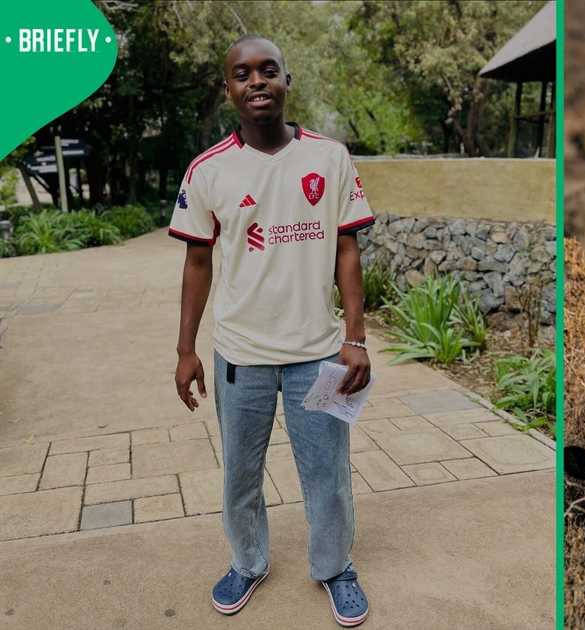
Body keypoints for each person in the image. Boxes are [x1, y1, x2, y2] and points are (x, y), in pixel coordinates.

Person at [170, 34, 374, 627]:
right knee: (239, 473)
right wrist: (186, 349)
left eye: (268, 71)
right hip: (241, 356)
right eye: (242, 74)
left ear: (287, 82)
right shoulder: (208, 170)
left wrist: (355, 337)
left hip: (319, 354)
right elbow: (198, 262)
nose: (256, 82)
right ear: (229, 89)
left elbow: (347, 248)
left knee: (328, 472)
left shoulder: (329, 158)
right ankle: (248, 560)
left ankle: (335, 568)